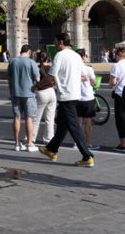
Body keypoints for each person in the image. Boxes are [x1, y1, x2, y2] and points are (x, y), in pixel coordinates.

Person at [39, 33, 95, 167]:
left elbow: (51, 76)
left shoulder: (60, 55)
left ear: (61, 42)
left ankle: (87, 156)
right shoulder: (76, 56)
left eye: (55, 41)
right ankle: (51, 149)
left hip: (66, 95)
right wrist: (71, 78)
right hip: (75, 94)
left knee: (74, 126)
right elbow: (84, 76)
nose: (54, 44)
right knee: (62, 124)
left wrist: (37, 86)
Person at [7, 45, 40, 152]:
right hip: (29, 94)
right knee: (29, 118)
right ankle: (30, 144)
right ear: (29, 52)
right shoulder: (31, 62)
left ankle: (16, 144)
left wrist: (11, 92)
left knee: (17, 117)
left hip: (15, 93)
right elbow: (38, 79)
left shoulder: (12, 61)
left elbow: (9, 78)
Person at [32, 50, 57, 146]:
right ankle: (49, 139)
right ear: (48, 58)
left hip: (41, 93)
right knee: (50, 118)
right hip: (52, 92)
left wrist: (36, 86)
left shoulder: (37, 68)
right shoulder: (51, 68)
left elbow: (35, 80)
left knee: (36, 118)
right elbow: (54, 80)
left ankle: (31, 138)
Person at [76, 50, 99, 150]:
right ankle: (88, 143)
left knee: (78, 122)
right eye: (86, 55)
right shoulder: (89, 69)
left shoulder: (73, 69)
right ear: (83, 57)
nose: (87, 57)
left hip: (77, 97)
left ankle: (77, 143)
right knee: (88, 123)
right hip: (88, 97)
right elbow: (94, 83)